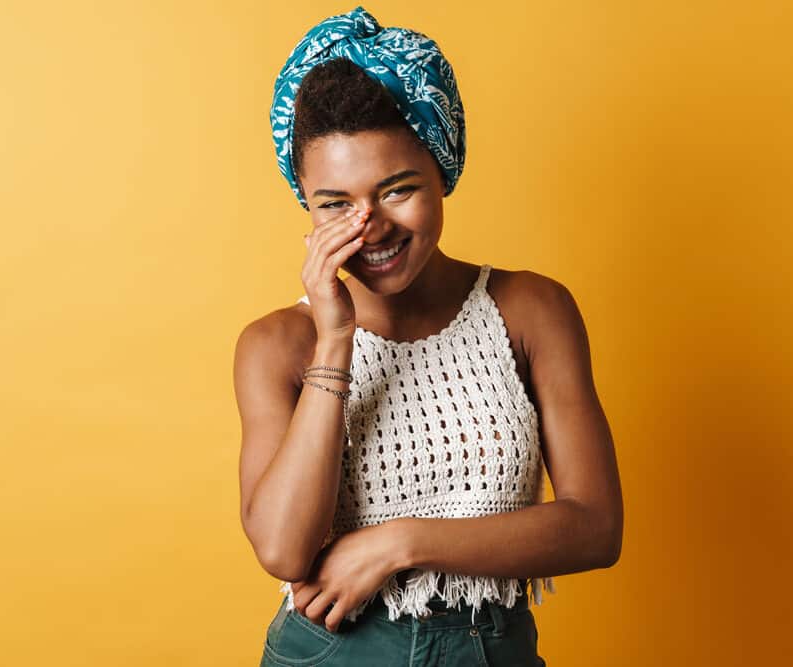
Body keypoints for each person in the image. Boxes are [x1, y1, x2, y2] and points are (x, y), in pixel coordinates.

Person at [233, 6, 623, 666]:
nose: (371, 225)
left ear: (441, 172)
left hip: (488, 647)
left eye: (397, 189)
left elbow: (594, 525)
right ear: (306, 202)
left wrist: (399, 542)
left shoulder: (532, 310)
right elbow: (283, 549)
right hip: (332, 651)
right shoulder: (276, 345)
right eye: (335, 204)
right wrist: (335, 340)